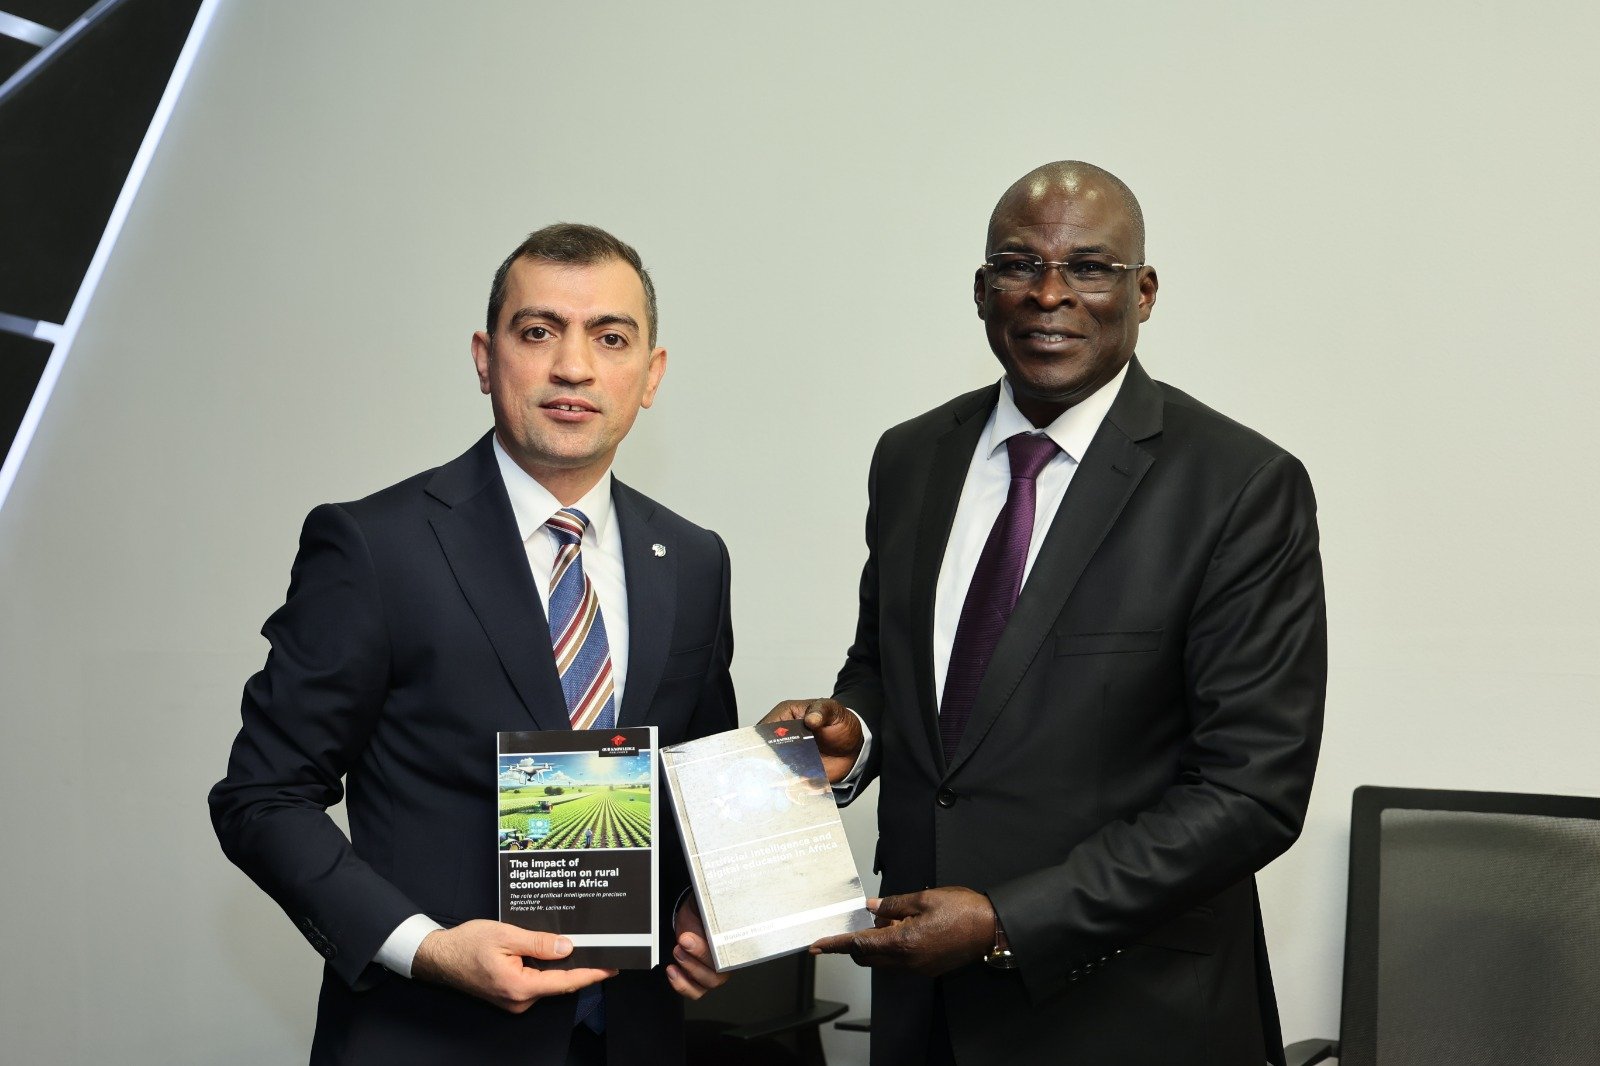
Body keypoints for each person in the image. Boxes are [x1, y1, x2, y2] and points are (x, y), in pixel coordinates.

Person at [765, 161, 1327, 1066]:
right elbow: (888, 666)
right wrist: (856, 733)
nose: (1049, 294)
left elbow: (1252, 792)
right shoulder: (910, 457)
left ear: (1144, 292)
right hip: (923, 1011)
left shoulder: (1239, 485)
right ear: (981, 290)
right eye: (1019, 265)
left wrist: (1007, 921)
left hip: (1130, 1015)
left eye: (1090, 267)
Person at [211, 224, 734, 1065]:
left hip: (631, 1038)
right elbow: (261, 797)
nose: (573, 366)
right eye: (539, 331)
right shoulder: (376, 547)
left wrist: (699, 912)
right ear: (487, 360)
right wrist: (425, 947)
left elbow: (693, 789)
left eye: (610, 338)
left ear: (651, 375)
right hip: (427, 1036)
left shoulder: (694, 559)